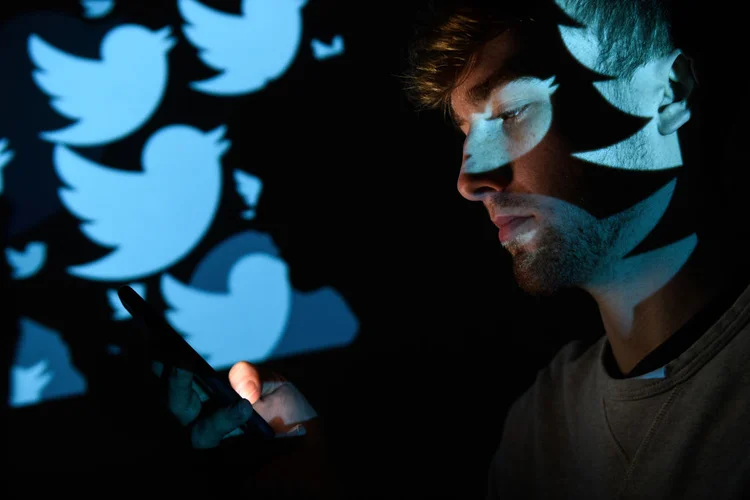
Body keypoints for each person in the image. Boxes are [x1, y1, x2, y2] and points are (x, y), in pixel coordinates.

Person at [152, 0, 750, 498]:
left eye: (512, 112)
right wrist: (306, 468)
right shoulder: (542, 420)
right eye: (469, 133)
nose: (469, 179)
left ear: (667, 94)